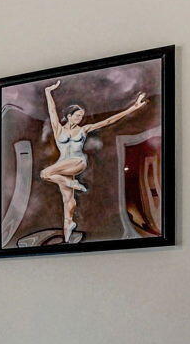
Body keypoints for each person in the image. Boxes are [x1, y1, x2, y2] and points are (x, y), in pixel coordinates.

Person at [41, 82, 148, 241]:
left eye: (82, 116)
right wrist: (47, 91)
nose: (80, 118)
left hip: (77, 162)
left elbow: (108, 121)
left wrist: (133, 108)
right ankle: (68, 228)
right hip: (62, 166)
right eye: (77, 115)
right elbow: (51, 110)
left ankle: (73, 184)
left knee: (45, 173)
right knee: (68, 201)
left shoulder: (83, 130)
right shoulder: (58, 129)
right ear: (69, 116)